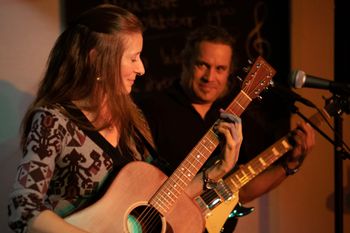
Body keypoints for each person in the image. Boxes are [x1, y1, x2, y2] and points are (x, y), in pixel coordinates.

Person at [7, 5, 243, 233]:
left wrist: (218, 170)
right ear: (97, 59)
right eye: (133, 58)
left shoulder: (133, 121)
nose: (141, 69)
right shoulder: (53, 120)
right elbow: (24, 209)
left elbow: (160, 202)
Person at [133, 25, 316, 232]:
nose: (210, 77)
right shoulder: (151, 109)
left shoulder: (235, 116)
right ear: (185, 63)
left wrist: (288, 166)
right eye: (202, 65)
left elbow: (242, 190)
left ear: (230, 72)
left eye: (220, 69)